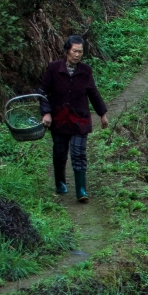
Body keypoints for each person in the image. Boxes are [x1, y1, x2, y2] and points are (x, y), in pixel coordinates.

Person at [39, 35, 107, 203]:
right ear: (66, 51)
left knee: (78, 153)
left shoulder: (85, 71)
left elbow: (93, 92)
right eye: (75, 51)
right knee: (60, 153)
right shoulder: (54, 68)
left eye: (80, 52)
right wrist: (46, 112)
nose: (77, 55)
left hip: (79, 119)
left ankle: (81, 190)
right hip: (60, 119)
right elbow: (42, 92)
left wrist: (102, 114)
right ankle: (60, 183)